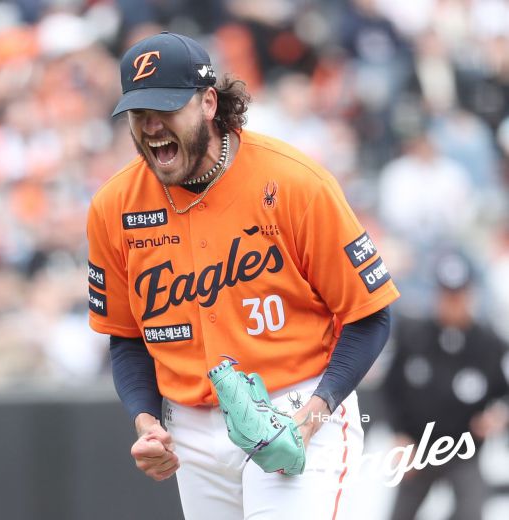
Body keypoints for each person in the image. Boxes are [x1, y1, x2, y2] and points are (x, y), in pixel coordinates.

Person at [86, 32, 400, 519]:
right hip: (189, 428)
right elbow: (126, 338)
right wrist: (146, 422)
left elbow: (371, 314)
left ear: (208, 103)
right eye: (138, 113)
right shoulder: (114, 206)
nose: (151, 126)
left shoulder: (294, 182)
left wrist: (313, 415)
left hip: (293, 404)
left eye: (166, 109)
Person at [383, 251, 509, 520]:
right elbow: (390, 389)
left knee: (471, 509)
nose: (453, 303)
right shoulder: (414, 336)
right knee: (400, 513)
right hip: (418, 446)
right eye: (446, 295)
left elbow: (503, 394)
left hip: (464, 448)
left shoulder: (488, 344)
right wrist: (399, 435)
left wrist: (497, 415)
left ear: (471, 295)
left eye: (459, 295)